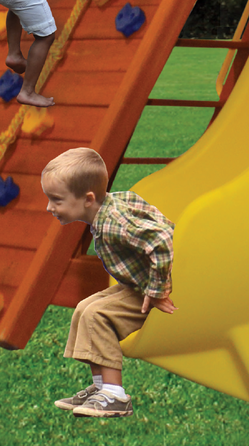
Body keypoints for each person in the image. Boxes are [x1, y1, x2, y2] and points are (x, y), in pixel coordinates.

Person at [40, 147, 176, 419]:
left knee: (97, 315)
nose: (49, 207)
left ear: (88, 199)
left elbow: (161, 239)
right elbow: (137, 203)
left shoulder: (113, 222)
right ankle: (101, 388)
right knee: (84, 308)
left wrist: (158, 289)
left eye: (56, 200)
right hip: (137, 283)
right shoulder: (110, 205)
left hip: (151, 287)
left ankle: (115, 396)